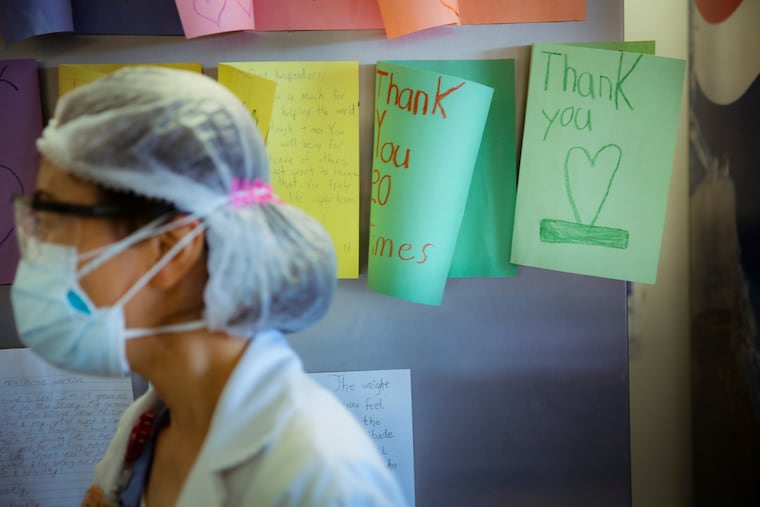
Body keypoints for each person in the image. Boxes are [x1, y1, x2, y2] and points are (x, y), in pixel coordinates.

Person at [10, 66, 408, 507]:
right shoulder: (146, 426)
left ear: (169, 249)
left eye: (51, 221)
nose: (37, 248)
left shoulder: (320, 481)